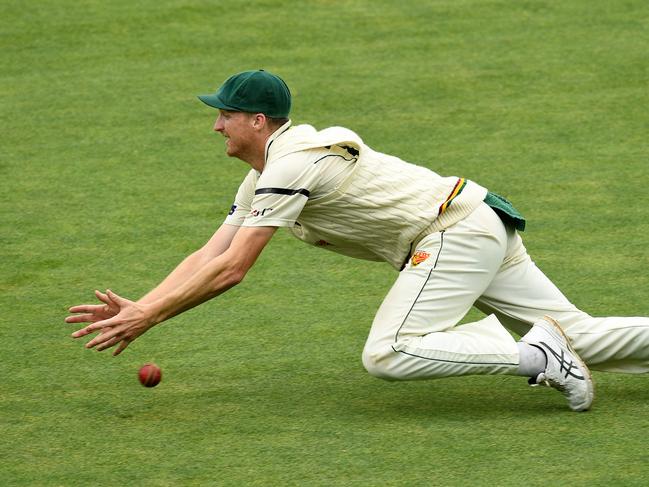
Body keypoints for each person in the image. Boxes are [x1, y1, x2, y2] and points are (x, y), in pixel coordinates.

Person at [67, 69, 649, 412]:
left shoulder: (291, 164)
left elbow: (233, 270)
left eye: (226, 115)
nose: (216, 124)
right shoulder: (264, 176)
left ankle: (535, 356)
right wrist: (144, 306)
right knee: (584, 338)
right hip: (475, 219)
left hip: (451, 233)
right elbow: (210, 252)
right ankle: (554, 348)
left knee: (391, 352)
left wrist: (151, 319)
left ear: (258, 122)